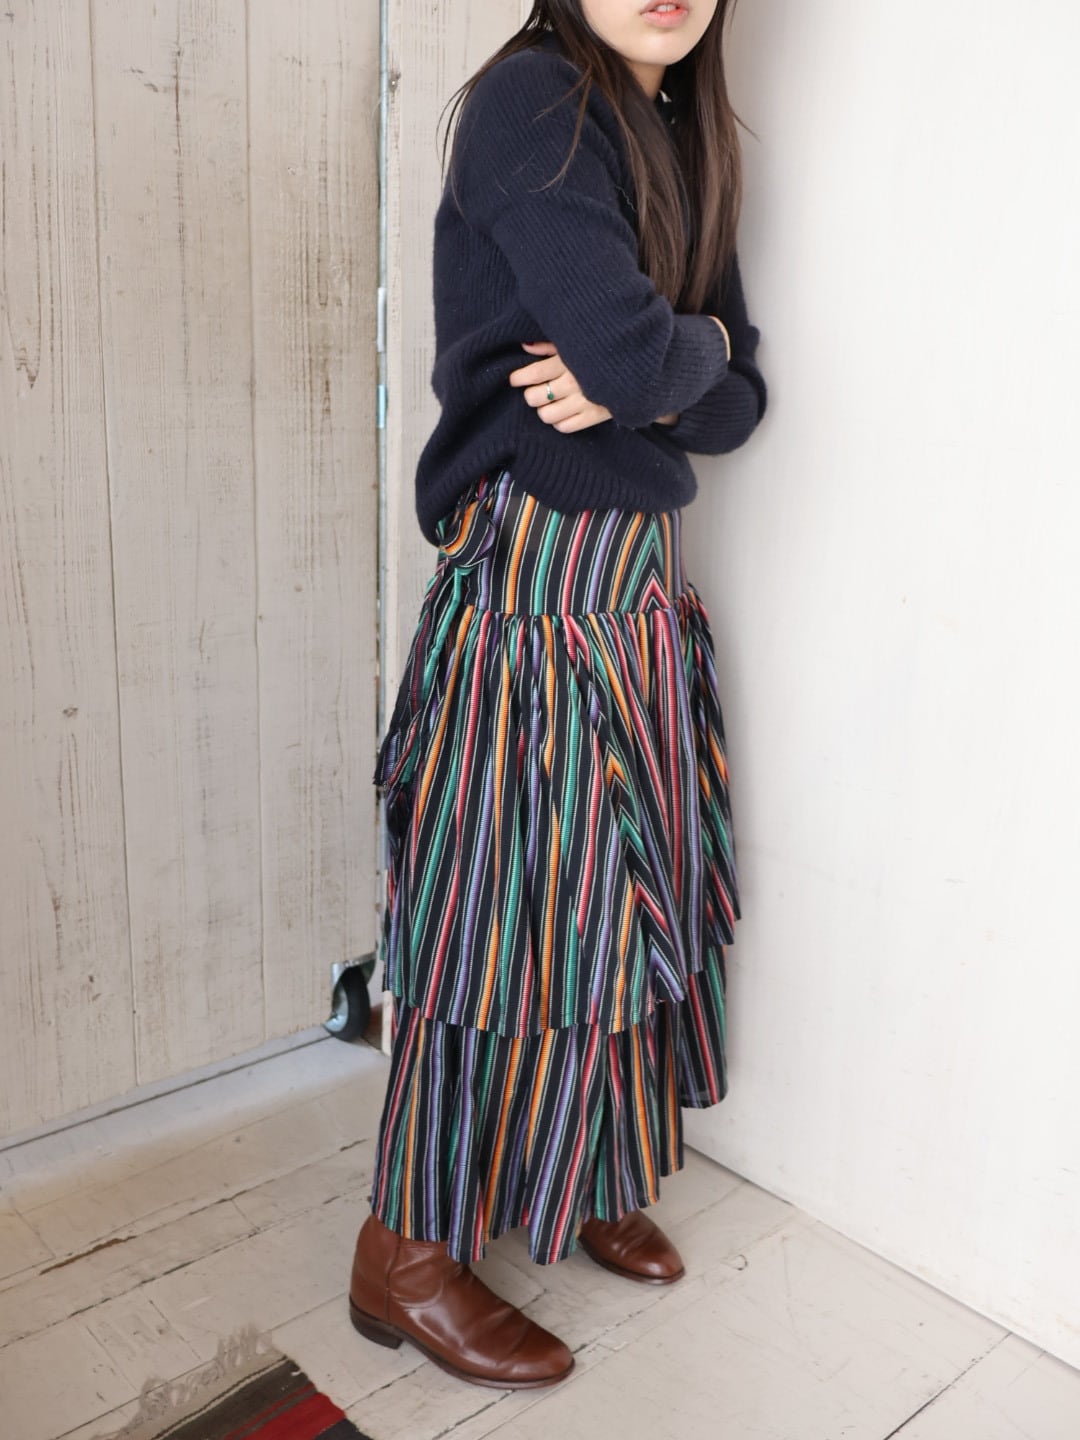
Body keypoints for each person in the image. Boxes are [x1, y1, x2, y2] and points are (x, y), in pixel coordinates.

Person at [348, 0, 767, 1390]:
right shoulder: (535, 101)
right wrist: (676, 358)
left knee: (623, 897)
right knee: (501, 909)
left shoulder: (683, 133)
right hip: (529, 575)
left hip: (635, 578)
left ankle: (581, 1167)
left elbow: (737, 397)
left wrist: (673, 363)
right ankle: (406, 1254)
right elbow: (658, 364)